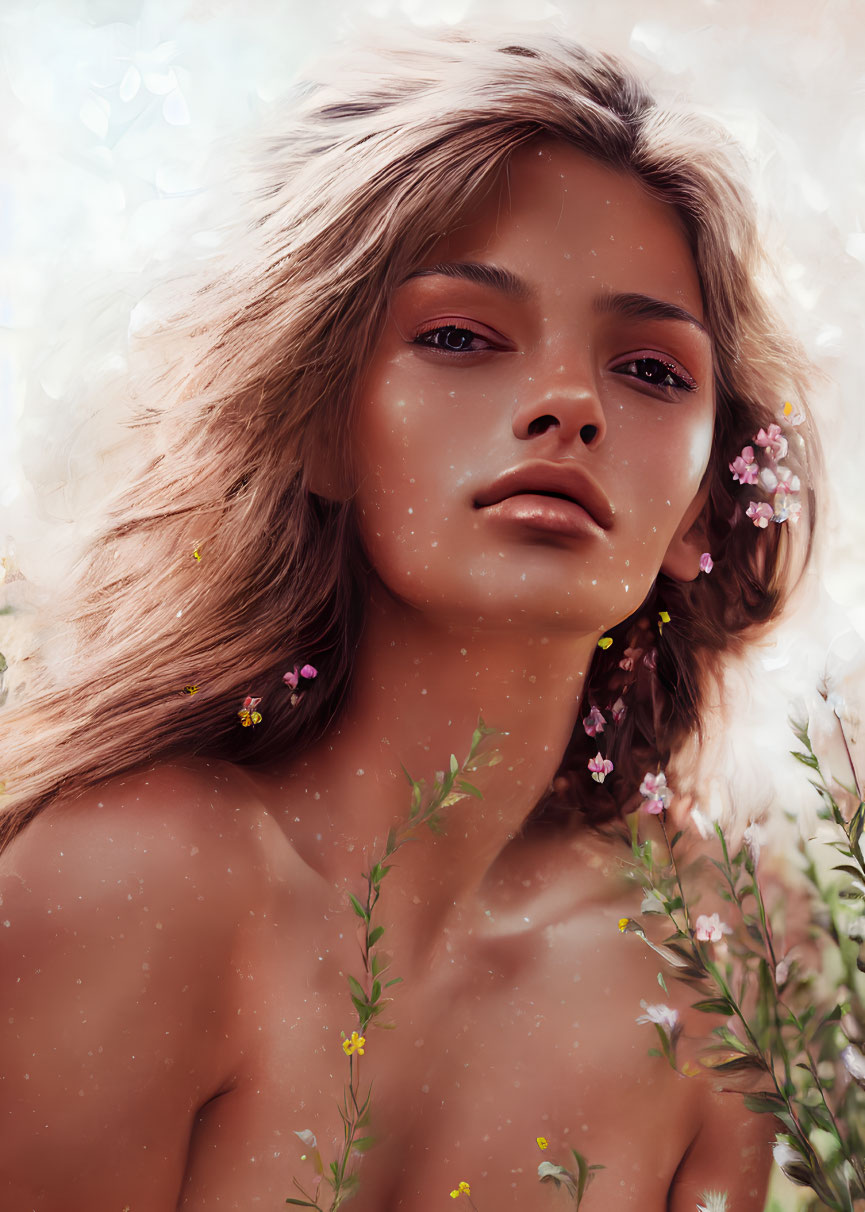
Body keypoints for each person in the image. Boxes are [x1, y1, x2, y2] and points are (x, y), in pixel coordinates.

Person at [0, 19, 818, 1211]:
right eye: (457, 336)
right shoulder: (130, 882)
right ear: (320, 424)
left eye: (649, 369)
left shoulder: (713, 968)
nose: (565, 405)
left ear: (704, 502)